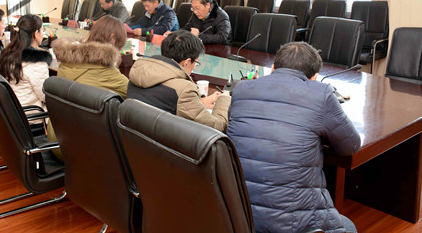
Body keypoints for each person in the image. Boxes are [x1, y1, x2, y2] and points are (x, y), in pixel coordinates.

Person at [227, 42, 361, 233]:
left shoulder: (241, 89)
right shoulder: (321, 94)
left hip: (237, 215)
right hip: (292, 225)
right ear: (314, 77)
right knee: (348, 226)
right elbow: (351, 146)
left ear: (273, 68)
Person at [127, 29, 230, 132]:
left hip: (134, 137)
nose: (194, 67)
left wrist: (199, 103)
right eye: (196, 63)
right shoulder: (184, 89)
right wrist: (224, 99)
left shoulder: (137, 72)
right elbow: (217, 127)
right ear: (187, 62)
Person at [53, 15, 128, 98]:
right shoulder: (108, 74)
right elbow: (133, 95)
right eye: (120, 46)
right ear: (113, 38)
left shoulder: (66, 60)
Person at [0, 14, 51, 113]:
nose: (43, 34)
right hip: (30, 114)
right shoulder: (37, 63)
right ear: (36, 34)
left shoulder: (9, 54)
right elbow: (45, 96)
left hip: (12, 110)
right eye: (42, 30)